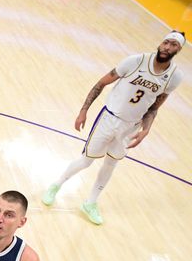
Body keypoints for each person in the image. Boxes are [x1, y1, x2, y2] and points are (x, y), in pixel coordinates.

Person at [42, 31, 185, 225]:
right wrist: (84, 110)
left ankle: (90, 202)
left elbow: (154, 107)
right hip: (109, 118)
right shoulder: (136, 61)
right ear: (160, 43)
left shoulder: (174, 77)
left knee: (111, 164)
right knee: (86, 161)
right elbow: (101, 83)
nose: (168, 47)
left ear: (179, 49)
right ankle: (56, 185)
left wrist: (146, 129)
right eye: (166, 42)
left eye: (174, 45)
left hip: (131, 126)